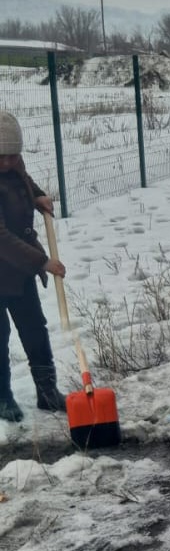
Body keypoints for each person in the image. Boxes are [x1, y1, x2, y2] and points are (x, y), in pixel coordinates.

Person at [0, 111, 67, 423]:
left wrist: (37, 196)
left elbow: (23, 182)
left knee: (35, 329)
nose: (7, 162)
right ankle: (3, 398)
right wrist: (42, 261)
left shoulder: (15, 166)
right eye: (2, 156)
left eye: (13, 155)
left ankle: (47, 392)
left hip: (18, 273)